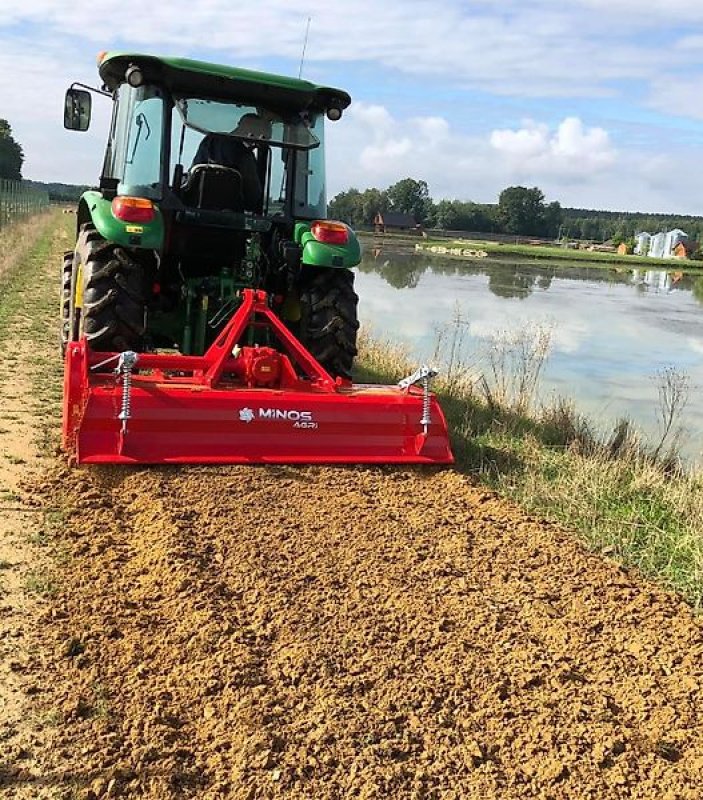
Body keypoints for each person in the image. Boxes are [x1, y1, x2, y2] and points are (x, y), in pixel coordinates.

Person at [191, 114, 270, 211]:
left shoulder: (210, 141)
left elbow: (193, 175)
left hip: (195, 211)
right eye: (261, 137)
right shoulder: (245, 156)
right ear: (252, 133)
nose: (257, 144)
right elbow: (253, 197)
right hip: (230, 218)